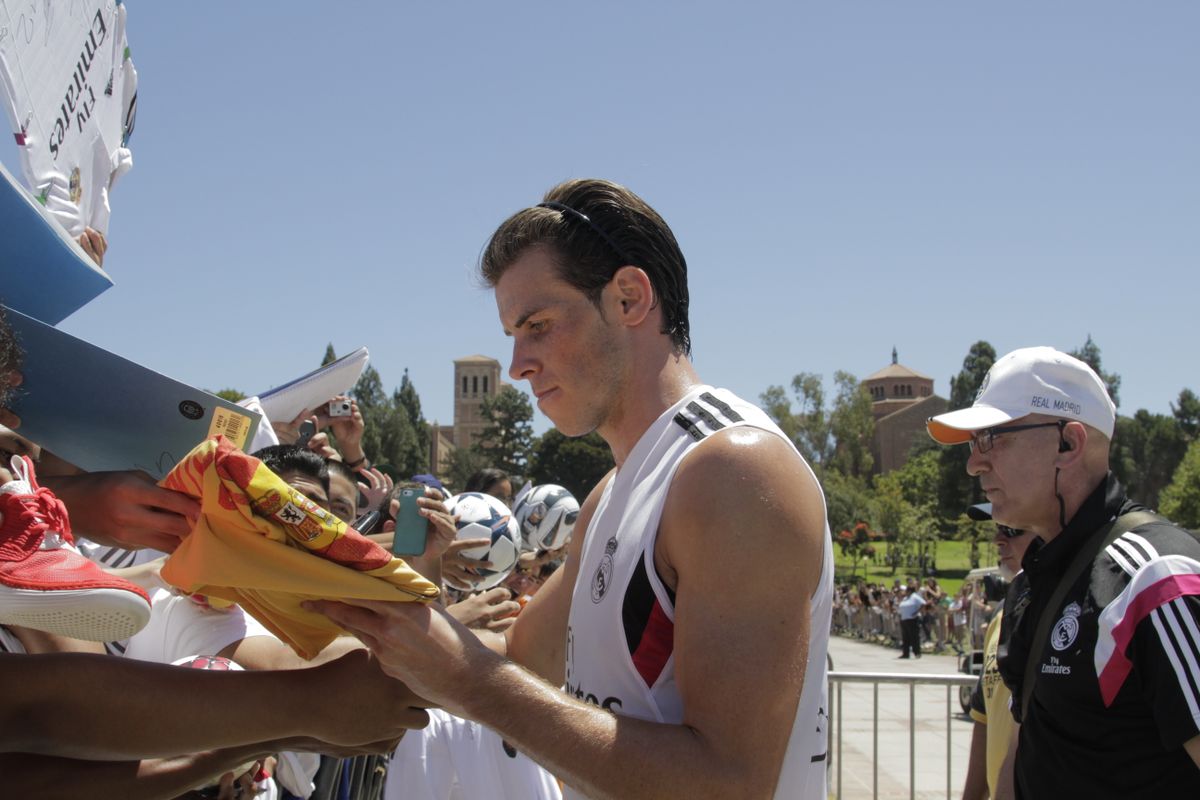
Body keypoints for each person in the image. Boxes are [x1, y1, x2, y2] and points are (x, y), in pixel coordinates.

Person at [312, 178, 834, 798]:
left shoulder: (732, 470)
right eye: (512, 335)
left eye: (538, 324)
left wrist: (468, 682)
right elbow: (517, 655)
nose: (518, 365)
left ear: (629, 298)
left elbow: (731, 785)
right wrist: (359, 616)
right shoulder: (613, 491)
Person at [928, 346, 1200, 798]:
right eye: (974, 443)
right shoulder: (1029, 584)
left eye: (991, 437)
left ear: (1068, 444)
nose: (974, 463)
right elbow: (1023, 750)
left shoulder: (1155, 577)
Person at [960, 503, 1032, 800]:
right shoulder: (1001, 614)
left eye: (1012, 529)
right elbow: (983, 718)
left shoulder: (1065, 612)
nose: (998, 540)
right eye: (998, 528)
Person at [897, 579, 925, 659]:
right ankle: (905, 653)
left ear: (910, 591)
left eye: (906, 591)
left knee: (914, 636)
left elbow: (923, 603)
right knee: (905, 637)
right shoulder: (906, 598)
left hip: (912, 619)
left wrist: (916, 612)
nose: (905, 592)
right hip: (904, 619)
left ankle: (917, 652)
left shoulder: (915, 597)